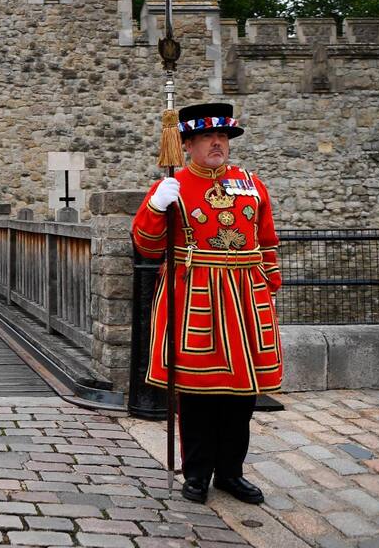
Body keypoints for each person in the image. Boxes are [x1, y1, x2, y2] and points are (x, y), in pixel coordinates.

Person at [132, 102, 282, 505]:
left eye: (223, 137)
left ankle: (231, 472)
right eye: (207, 138)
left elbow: (266, 239)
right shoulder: (174, 185)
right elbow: (146, 245)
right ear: (188, 144)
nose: (218, 144)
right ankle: (196, 472)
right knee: (197, 393)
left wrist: (269, 282)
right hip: (195, 293)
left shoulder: (251, 183)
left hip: (246, 299)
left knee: (241, 395)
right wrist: (155, 207)